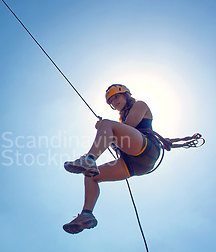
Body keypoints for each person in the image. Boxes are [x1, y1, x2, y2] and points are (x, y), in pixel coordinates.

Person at [62, 84, 161, 234]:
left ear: (126, 95)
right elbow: (121, 134)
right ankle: (86, 214)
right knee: (90, 176)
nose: (115, 102)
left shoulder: (140, 105)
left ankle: (89, 159)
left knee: (107, 123)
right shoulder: (122, 118)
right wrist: (108, 130)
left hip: (147, 149)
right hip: (134, 163)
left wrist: (105, 127)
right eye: (112, 101)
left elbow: (130, 126)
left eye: (117, 97)